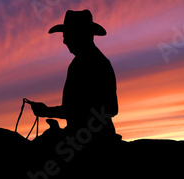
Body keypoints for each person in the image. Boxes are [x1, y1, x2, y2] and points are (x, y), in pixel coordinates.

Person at [31, 10, 120, 143]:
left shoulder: (88, 63)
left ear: (81, 35)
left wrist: (47, 112)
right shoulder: (87, 62)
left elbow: (109, 108)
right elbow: (74, 109)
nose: (65, 41)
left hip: (90, 140)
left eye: (67, 35)